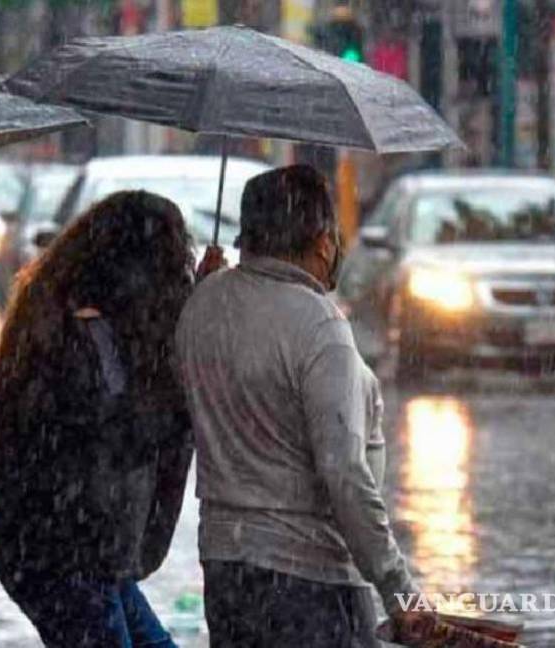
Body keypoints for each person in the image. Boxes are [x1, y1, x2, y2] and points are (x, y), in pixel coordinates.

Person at [176, 165, 432, 647]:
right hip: (313, 583)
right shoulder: (320, 326)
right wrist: (401, 592)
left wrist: (203, 290)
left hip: (227, 573)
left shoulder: (202, 303)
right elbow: (344, 472)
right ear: (322, 241)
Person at [0, 190, 195, 647]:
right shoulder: (76, 339)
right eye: (174, 265)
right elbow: (129, 432)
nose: (180, 276)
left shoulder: (99, 328)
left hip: (86, 552)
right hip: (59, 553)